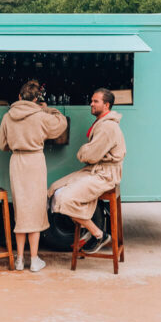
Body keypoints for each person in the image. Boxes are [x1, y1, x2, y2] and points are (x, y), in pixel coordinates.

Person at [0, 79, 68, 272]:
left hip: (17, 162)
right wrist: (48, 110)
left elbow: (2, 144)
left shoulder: (8, 116)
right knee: (35, 209)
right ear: (37, 99)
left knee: (21, 210)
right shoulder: (41, 116)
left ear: (19, 97)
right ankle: (34, 259)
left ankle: (19, 259)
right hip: (35, 162)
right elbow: (60, 125)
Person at [48, 88, 126, 253]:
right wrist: (88, 151)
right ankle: (87, 230)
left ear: (106, 105)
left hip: (105, 175)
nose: (91, 104)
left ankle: (98, 234)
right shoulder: (102, 123)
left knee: (64, 197)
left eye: (95, 101)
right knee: (55, 187)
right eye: (91, 100)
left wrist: (83, 150)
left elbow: (89, 155)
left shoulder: (107, 127)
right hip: (96, 170)